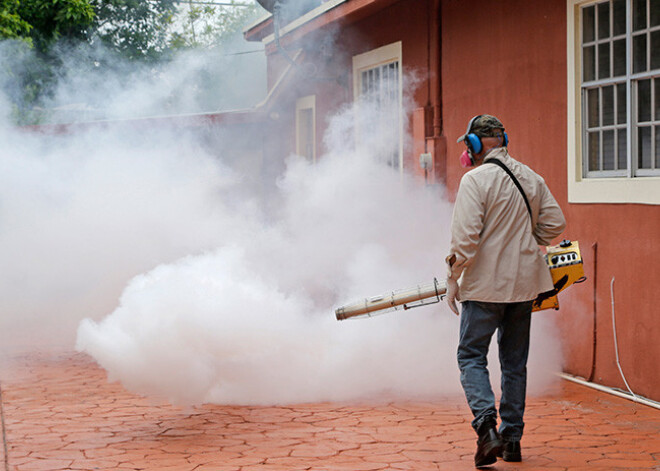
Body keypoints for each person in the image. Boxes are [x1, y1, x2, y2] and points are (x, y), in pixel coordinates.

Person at [444, 115, 566, 468]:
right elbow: (555, 223)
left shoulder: (475, 180)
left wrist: (453, 277)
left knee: (470, 357)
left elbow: (464, 241)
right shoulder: (532, 177)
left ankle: (486, 429)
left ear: (479, 144)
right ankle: (512, 441)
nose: (467, 151)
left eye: (469, 144)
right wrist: (527, 243)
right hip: (525, 286)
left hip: (484, 287)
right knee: (514, 364)